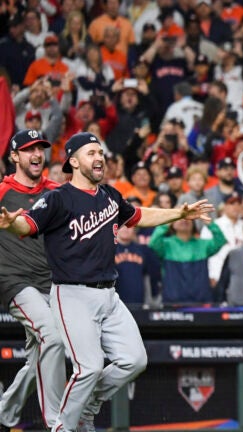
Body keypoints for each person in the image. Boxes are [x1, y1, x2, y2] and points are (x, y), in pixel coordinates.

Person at [0, 132, 214, 432]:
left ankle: (87, 405)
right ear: (73, 161)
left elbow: (140, 215)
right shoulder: (57, 198)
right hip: (71, 294)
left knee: (135, 360)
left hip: (109, 296)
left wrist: (178, 213)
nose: (99, 157)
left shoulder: (110, 196)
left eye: (100, 152)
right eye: (90, 153)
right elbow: (28, 224)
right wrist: (12, 224)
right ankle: (62, 427)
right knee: (88, 368)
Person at [0, 130, 64, 431]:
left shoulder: (56, 191)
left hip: (51, 284)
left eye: (40, 148)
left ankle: (3, 412)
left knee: (42, 352)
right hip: (15, 281)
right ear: (14, 156)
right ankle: (58, 423)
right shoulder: (1, 192)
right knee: (52, 337)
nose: (36, 154)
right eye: (28, 150)